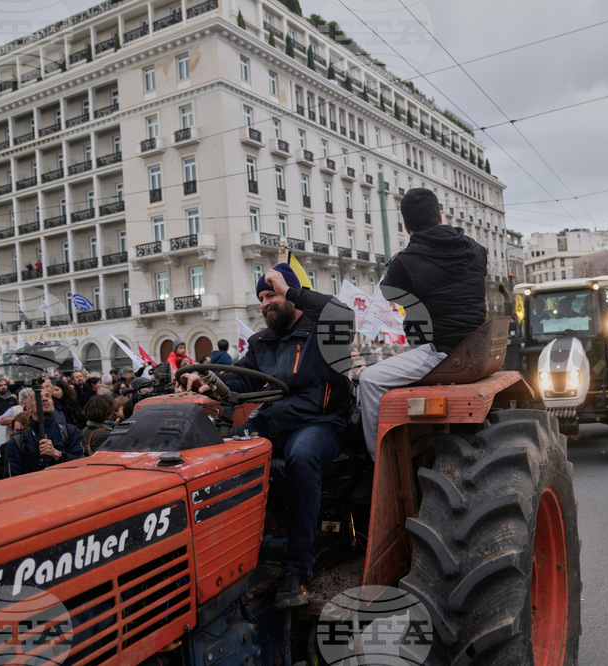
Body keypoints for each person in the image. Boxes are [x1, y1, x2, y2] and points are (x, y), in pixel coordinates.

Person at [196, 263, 352, 609]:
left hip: (320, 421)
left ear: (292, 295)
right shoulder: (262, 342)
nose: (267, 302)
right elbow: (241, 379)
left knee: (302, 457)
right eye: (262, 297)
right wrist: (209, 381)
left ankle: (296, 569)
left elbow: (342, 312)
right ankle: (232, 552)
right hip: (275, 421)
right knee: (226, 453)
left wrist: (288, 287)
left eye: (274, 294)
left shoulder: (324, 330)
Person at [357, 188, 487, 459]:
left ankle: (376, 463)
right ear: (440, 215)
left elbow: (389, 291)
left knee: (369, 379)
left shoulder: (405, 263)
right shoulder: (477, 251)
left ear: (405, 226)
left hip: (441, 351)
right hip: (477, 346)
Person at [5, 387, 84, 477]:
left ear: (53, 404)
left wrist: (58, 454)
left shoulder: (70, 431)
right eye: (38, 397)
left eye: (48, 396)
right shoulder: (18, 442)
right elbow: (13, 478)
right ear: (28, 408)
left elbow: (84, 464)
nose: (44, 399)